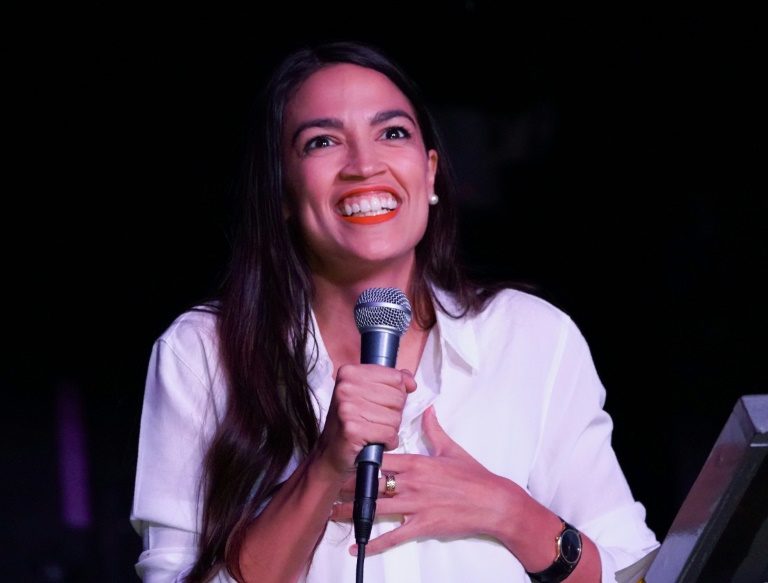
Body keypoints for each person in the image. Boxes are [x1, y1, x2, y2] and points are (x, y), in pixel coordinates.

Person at [130, 41, 659, 583]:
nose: (364, 165)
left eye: (393, 133)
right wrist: (325, 465)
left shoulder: (533, 337)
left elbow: (636, 574)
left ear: (430, 174)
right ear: (281, 191)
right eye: (322, 142)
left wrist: (506, 511)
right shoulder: (204, 353)